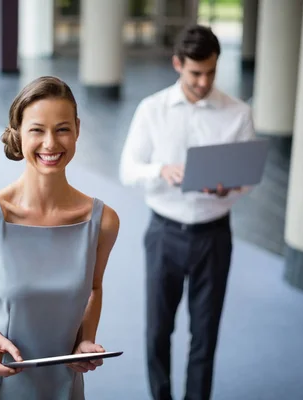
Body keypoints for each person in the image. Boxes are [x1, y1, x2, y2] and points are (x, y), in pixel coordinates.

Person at [0, 76, 120, 399]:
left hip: (62, 380)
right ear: (18, 132)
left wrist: (86, 339)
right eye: (37, 130)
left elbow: (93, 288)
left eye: (62, 129)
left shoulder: (102, 222)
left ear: (77, 129)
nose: (50, 143)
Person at [119, 24, 256, 400]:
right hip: (164, 233)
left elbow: (248, 176)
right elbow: (128, 168)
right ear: (177, 64)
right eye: (196, 73)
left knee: (205, 333)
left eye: (210, 72)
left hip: (214, 235)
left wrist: (231, 185)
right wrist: (159, 170)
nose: (203, 81)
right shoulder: (152, 109)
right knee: (157, 331)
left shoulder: (239, 113)